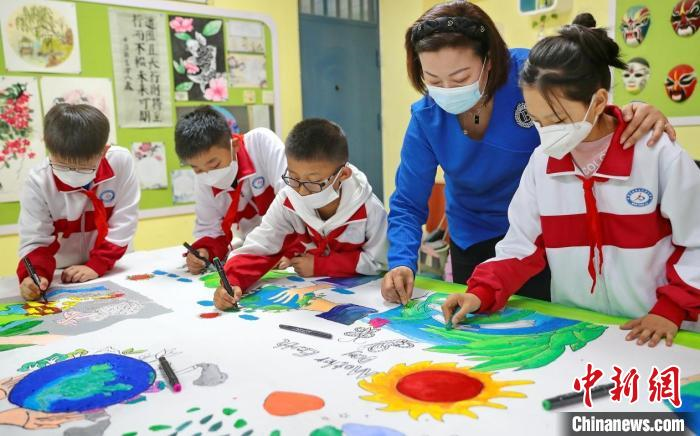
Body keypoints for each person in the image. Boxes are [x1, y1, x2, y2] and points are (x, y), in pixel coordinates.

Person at [381, 0, 676, 306]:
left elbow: (584, 108)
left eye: (459, 78)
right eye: (433, 80)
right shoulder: (427, 117)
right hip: (477, 237)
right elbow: (407, 202)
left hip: (551, 232)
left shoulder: (530, 75)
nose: (448, 90)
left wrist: (632, 113)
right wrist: (402, 261)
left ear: (490, 61)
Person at [442, 14, 700, 347]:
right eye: (537, 120)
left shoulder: (657, 154)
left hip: (657, 329)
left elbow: (696, 242)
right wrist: (481, 292)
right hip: (582, 331)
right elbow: (522, 245)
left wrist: (671, 308)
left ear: (599, 102)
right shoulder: (542, 164)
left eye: (558, 119)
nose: (548, 132)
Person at [213, 119, 387, 310]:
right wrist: (231, 281)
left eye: (313, 182)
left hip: (361, 302)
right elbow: (261, 245)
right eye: (294, 178)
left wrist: (320, 265)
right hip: (310, 301)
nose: (302, 192)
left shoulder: (369, 209)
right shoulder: (287, 199)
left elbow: (379, 261)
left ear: (343, 175)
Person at [18, 104, 139, 299]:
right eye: (62, 165)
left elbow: (125, 220)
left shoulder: (121, 162)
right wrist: (35, 276)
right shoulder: (38, 181)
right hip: (64, 272)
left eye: (83, 167)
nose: (72, 174)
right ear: (48, 148)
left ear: (103, 151)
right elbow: (36, 238)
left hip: (112, 264)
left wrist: (97, 265)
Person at [174, 106, 286, 274]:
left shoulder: (261, 143)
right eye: (197, 168)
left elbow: (290, 198)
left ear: (234, 145)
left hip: (289, 248)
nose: (208, 174)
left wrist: (282, 248)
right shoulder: (203, 180)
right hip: (256, 252)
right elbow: (210, 228)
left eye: (214, 164)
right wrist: (204, 252)